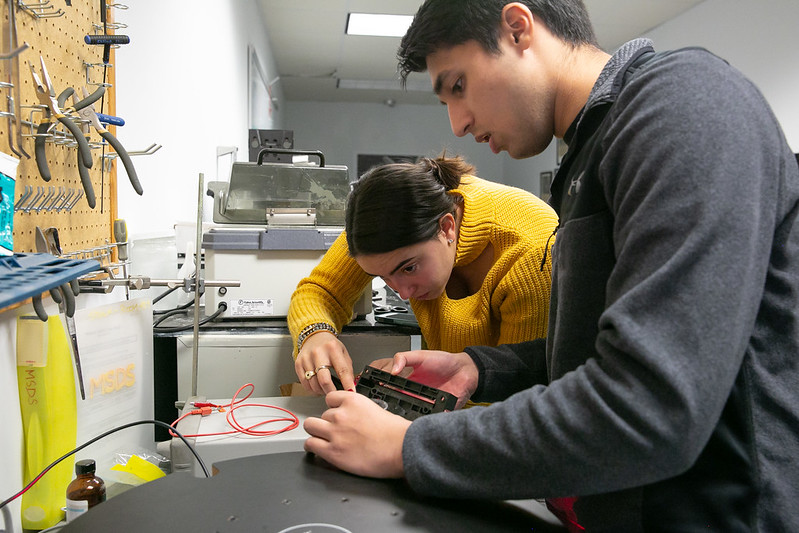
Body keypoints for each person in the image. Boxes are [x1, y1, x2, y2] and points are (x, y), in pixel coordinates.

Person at [302, 1, 799, 531]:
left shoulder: (685, 107)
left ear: (518, 29)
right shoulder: (589, 153)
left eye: (459, 86)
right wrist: (480, 368)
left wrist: (408, 445)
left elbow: (650, 406)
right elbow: (604, 351)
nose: (459, 123)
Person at [288, 154, 558, 394]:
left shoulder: (531, 253)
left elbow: (517, 399)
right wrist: (314, 333)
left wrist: (417, 393)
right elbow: (320, 291)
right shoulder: (384, 219)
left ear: (447, 228)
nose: (403, 294)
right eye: (383, 278)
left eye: (409, 268)